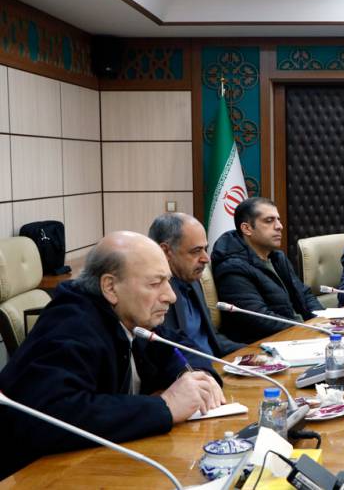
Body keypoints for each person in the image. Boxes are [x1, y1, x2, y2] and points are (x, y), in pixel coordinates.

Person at [0, 232, 225, 478]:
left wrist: (194, 376)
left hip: (103, 462)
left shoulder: (130, 316)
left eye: (168, 281)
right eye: (155, 283)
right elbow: (52, 415)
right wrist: (166, 406)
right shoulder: (71, 327)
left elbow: (176, 345)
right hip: (41, 476)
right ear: (110, 287)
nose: (170, 296)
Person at [212, 197, 324, 344]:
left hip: (299, 334)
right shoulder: (232, 268)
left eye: (278, 220)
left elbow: (304, 294)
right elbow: (260, 319)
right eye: (269, 221)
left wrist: (323, 320)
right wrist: (308, 329)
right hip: (266, 345)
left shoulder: (277, 257)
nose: (279, 226)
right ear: (247, 228)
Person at [148, 212, 245, 358]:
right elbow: (167, 355)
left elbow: (211, 338)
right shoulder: (154, 294)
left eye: (205, 249)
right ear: (165, 251)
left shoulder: (192, 279)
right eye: (196, 251)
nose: (206, 259)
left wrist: (251, 352)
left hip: (217, 364)